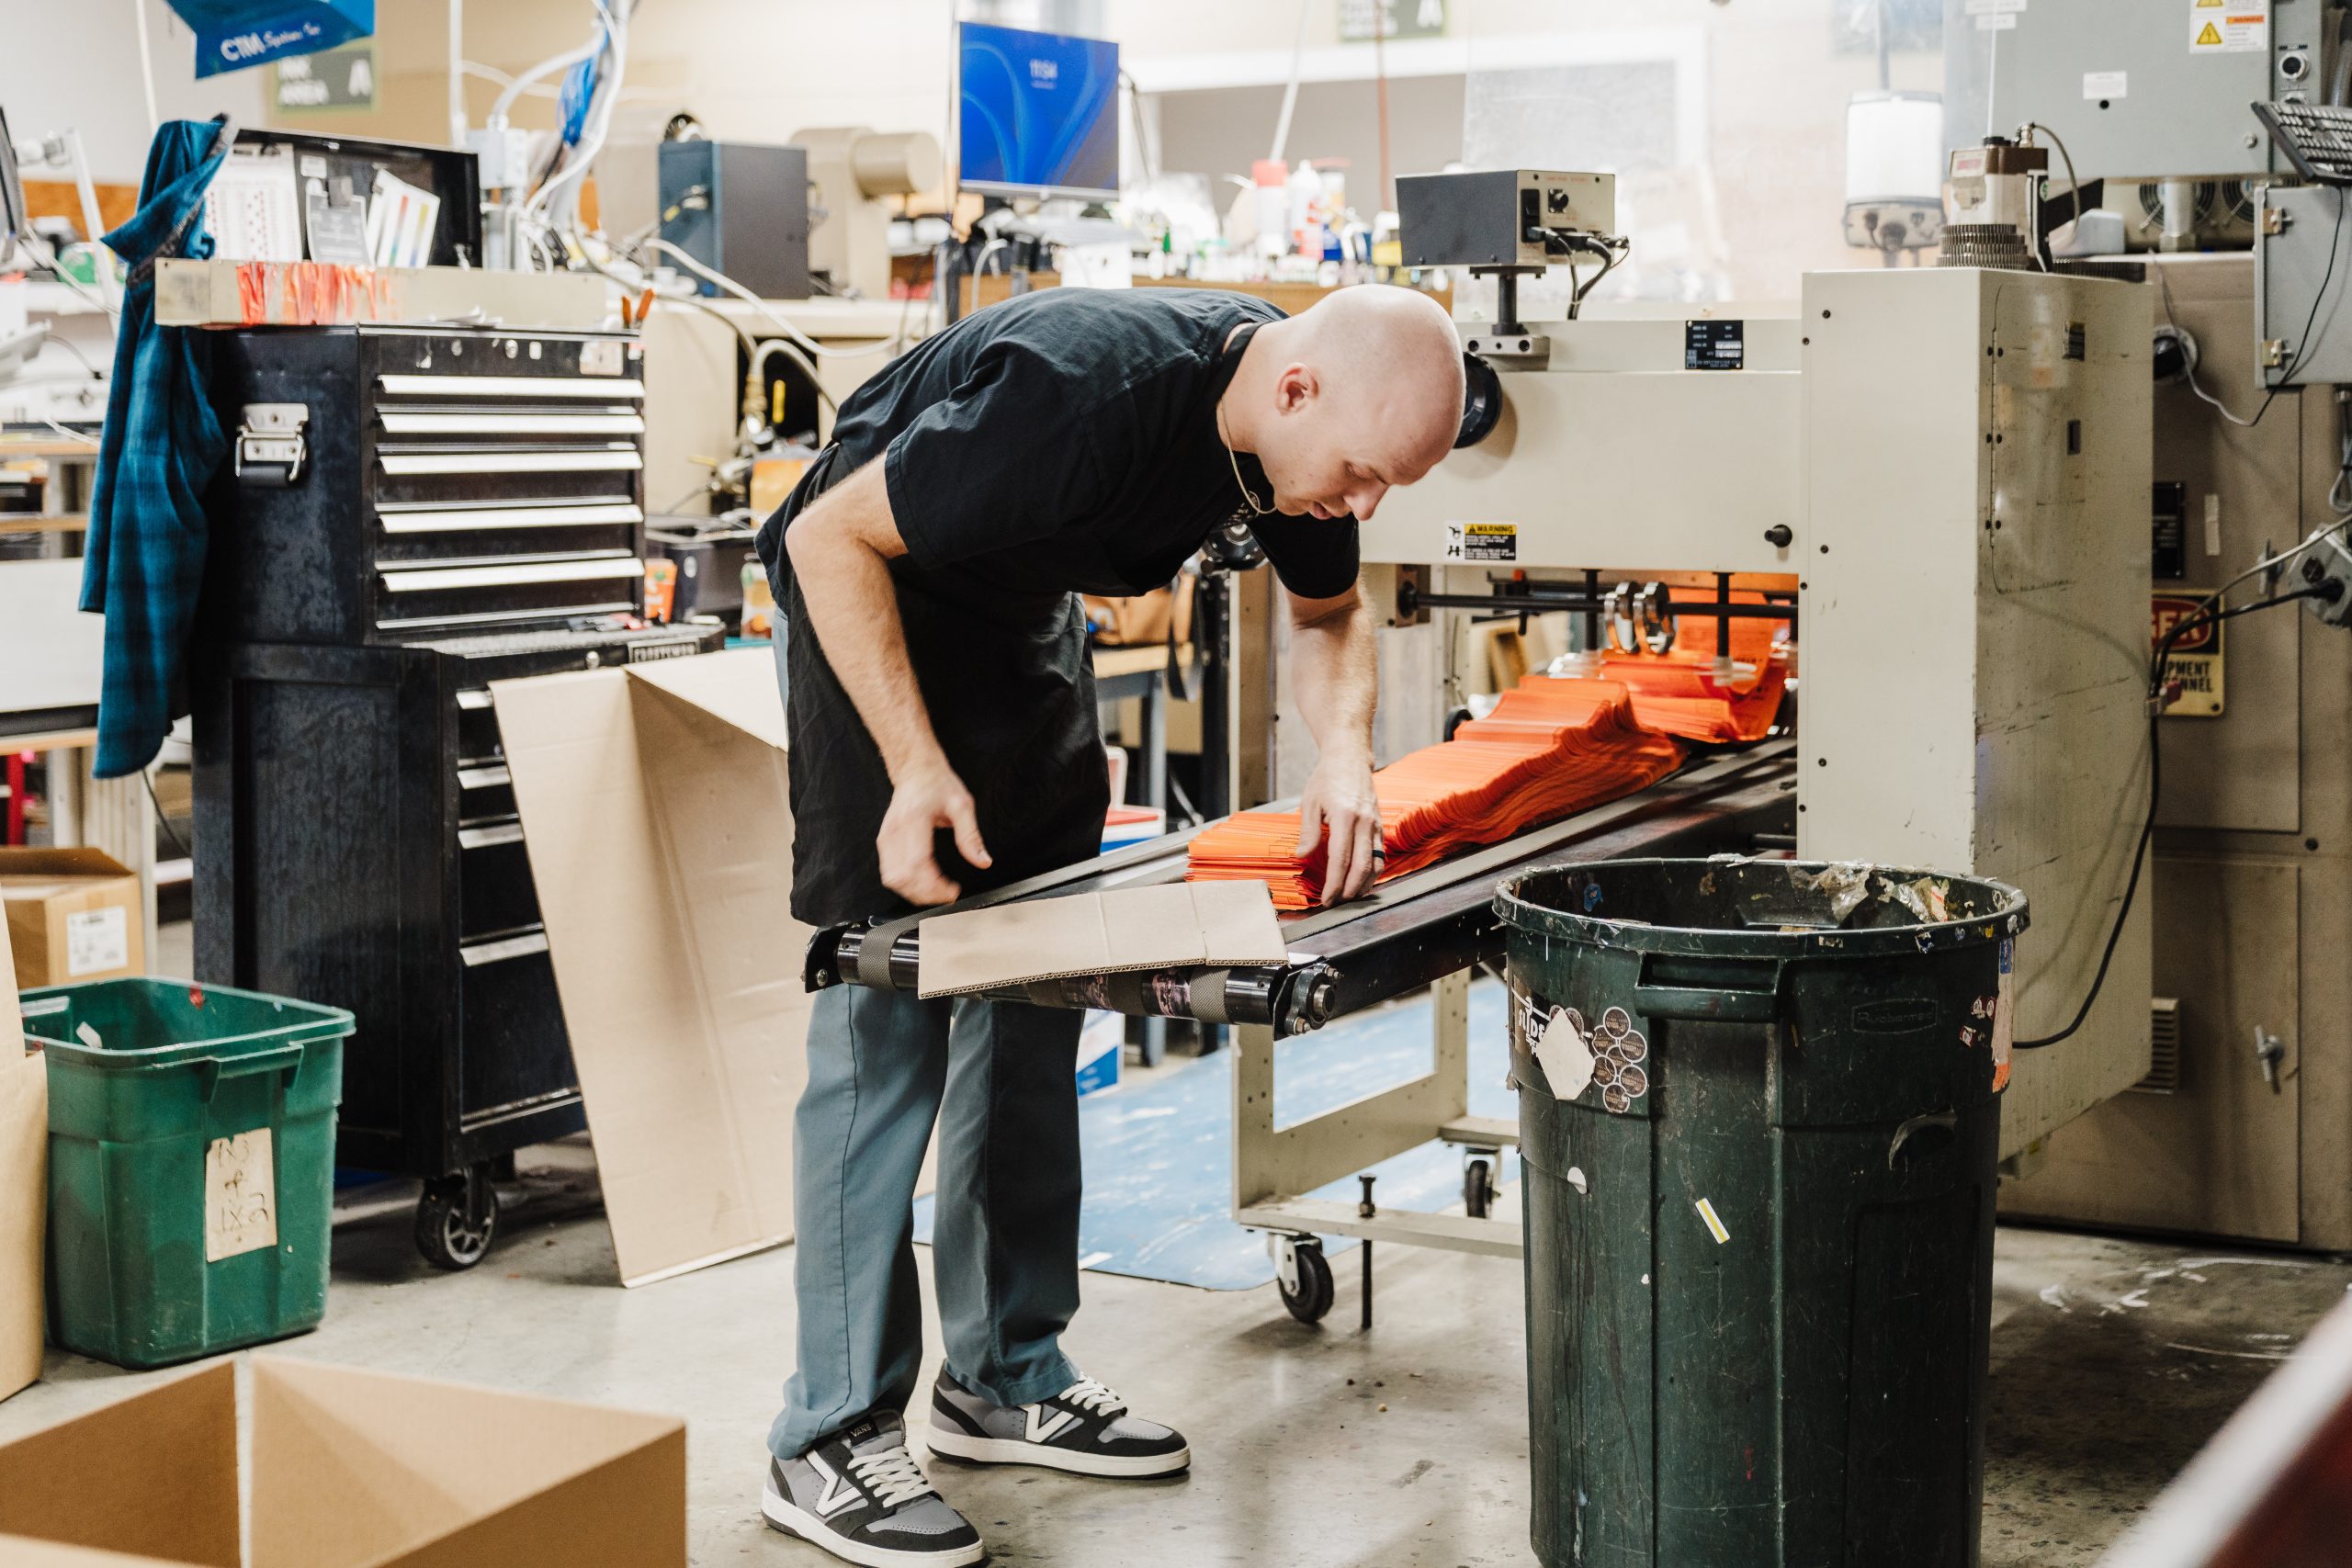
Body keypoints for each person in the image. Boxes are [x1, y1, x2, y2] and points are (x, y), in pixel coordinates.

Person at [753, 282, 1465, 1567]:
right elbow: (827, 536)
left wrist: (1344, 755)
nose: (1362, 508)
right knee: (887, 1018)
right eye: (1363, 475)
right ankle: (828, 1431)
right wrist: (913, 768)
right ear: (1297, 391)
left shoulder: (1293, 434)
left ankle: (1003, 1375)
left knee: (1039, 996)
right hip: (871, 605)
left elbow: (1327, 613)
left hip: (1016, 626)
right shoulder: (1084, 399)